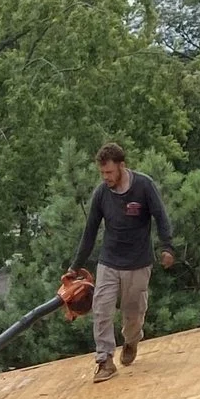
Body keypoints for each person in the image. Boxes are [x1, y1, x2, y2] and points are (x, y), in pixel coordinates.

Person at [71, 141, 175, 383]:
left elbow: (161, 217)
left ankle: (131, 341)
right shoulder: (101, 194)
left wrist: (167, 247)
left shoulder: (143, 186)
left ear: (122, 166)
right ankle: (104, 360)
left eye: (109, 172)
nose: (105, 177)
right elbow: (90, 232)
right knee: (102, 309)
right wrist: (74, 267)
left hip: (138, 262)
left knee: (133, 314)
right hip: (109, 262)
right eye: (102, 173)